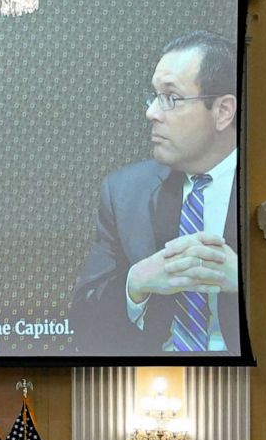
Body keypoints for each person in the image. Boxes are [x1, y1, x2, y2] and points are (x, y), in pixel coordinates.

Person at [71, 30, 240, 355]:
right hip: (147, 381)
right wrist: (135, 285)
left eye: (171, 99)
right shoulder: (125, 193)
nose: (151, 113)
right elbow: (83, 319)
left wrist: (245, 285)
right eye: (153, 97)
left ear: (222, 112)